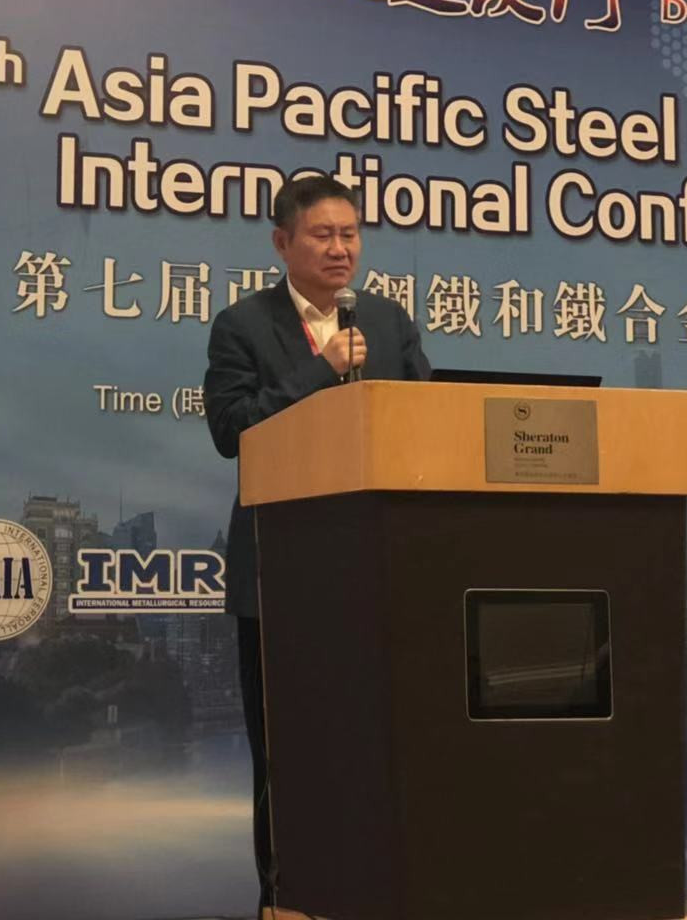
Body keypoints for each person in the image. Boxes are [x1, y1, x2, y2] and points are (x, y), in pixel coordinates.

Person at [203, 175, 431, 918]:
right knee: (286, 756)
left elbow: (425, 420)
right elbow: (232, 431)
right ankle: (287, 900)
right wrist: (320, 368)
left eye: (350, 234)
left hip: (378, 578)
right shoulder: (242, 326)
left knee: (378, 750)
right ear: (282, 243)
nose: (340, 249)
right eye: (322, 235)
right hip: (280, 577)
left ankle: (380, 892)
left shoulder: (389, 322)